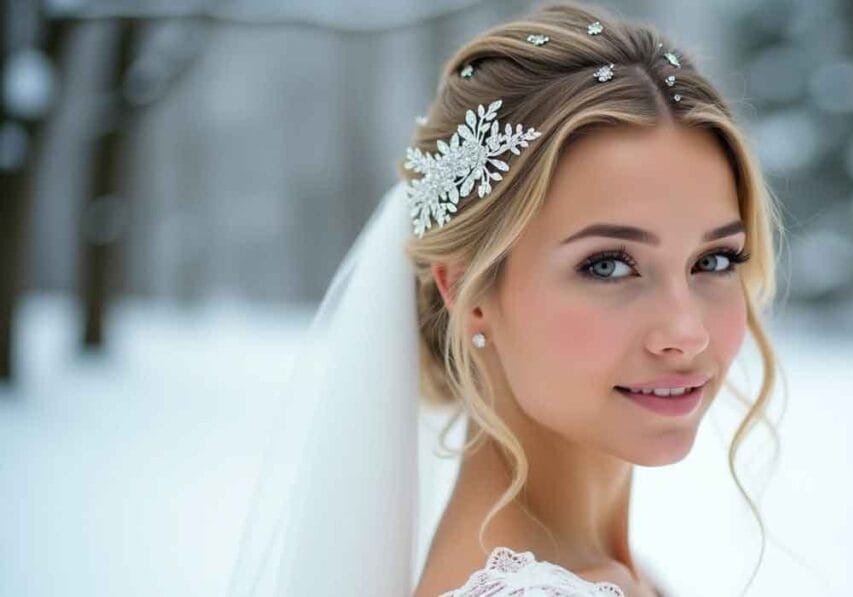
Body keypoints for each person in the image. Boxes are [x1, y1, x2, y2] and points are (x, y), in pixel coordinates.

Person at [226, 2, 783, 596]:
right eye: (609, 265)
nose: (686, 329)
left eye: (715, 260)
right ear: (467, 290)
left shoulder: (607, 575)